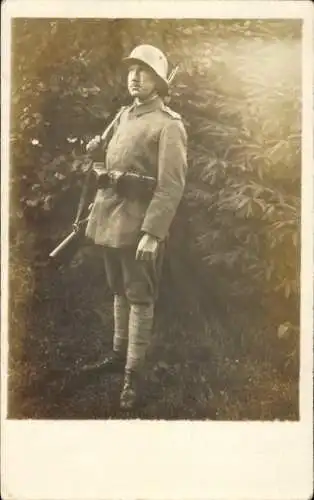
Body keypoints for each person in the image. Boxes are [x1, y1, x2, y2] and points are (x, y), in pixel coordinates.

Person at [84, 44, 188, 410]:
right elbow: (113, 161)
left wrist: (152, 233)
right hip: (110, 217)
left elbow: (171, 185)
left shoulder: (169, 125)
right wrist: (96, 150)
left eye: (143, 71)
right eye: (131, 70)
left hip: (138, 225)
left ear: (159, 81)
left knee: (139, 294)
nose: (134, 76)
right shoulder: (123, 117)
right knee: (118, 290)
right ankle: (117, 355)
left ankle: (133, 373)